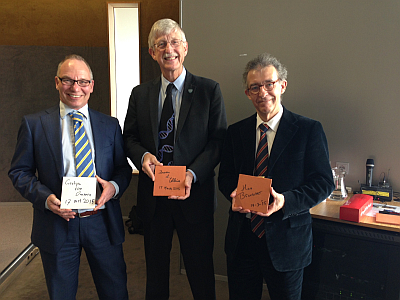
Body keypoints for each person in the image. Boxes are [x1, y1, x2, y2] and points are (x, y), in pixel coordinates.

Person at [8, 54, 132, 300]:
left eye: (83, 81)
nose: (76, 88)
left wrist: (114, 188)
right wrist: (45, 198)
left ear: (92, 86)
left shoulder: (110, 125)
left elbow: (123, 169)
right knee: (61, 294)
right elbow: (19, 172)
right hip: (57, 224)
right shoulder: (34, 124)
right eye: (68, 80)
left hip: (101, 222)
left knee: (115, 292)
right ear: (56, 82)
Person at [123, 18, 227, 299]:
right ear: (152, 53)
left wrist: (192, 175)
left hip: (195, 197)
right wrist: (142, 156)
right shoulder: (139, 94)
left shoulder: (209, 91)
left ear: (185, 48)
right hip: (153, 199)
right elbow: (129, 137)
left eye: (174, 42)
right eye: (161, 44)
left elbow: (217, 143)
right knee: (155, 273)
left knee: (200, 271)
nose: (169, 49)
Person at [218, 53, 334, 300]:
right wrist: (233, 194)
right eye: (255, 87)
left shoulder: (308, 130)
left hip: (287, 241)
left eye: (269, 84)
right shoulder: (235, 132)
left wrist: (286, 201)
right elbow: (225, 176)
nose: (263, 92)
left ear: (282, 85)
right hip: (243, 241)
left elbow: (323, 183)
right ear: (248, 93)